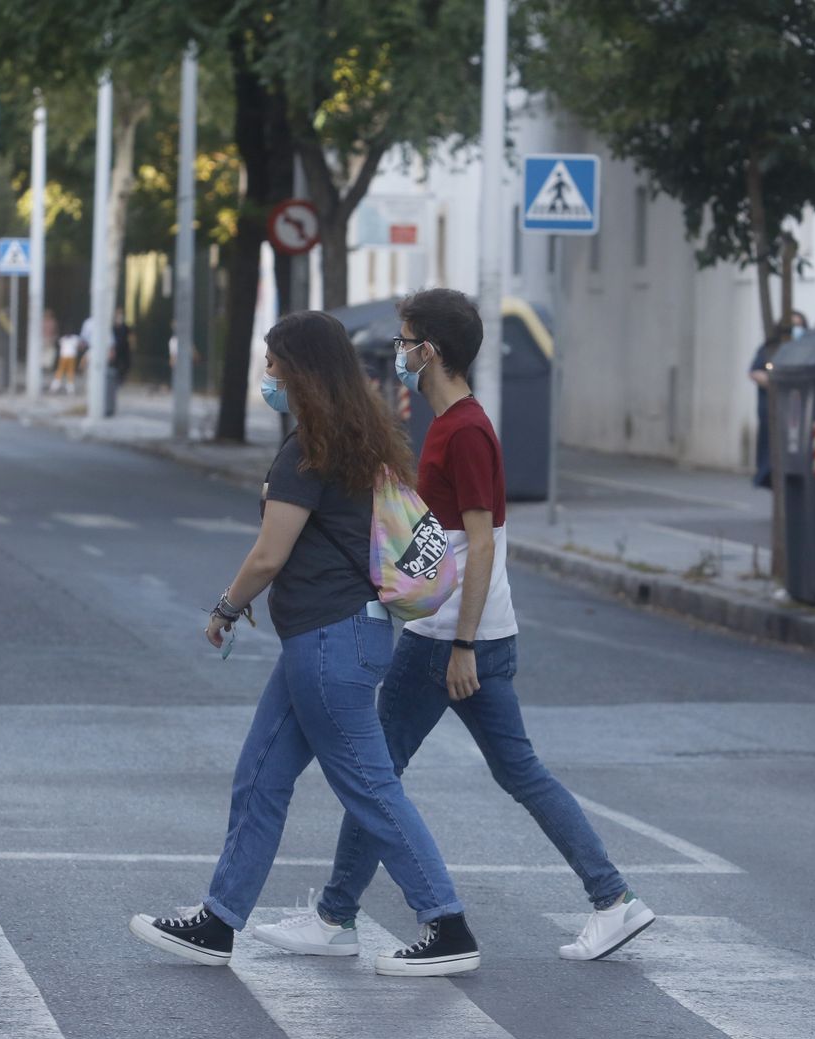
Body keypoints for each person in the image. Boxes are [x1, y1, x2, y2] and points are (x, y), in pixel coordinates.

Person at [252, 289, 655, 964]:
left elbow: (482, 541)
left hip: (449, 639)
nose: (399, 354)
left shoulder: (464, 431)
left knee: (375, 775)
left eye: (405, 342)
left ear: (429, 352)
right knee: (510, 771)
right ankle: (612, 899)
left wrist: (462, 643)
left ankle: (337, 917)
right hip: (469, 633)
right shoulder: (451, 424)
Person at [129, 310, 481, 977]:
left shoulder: (308, 451)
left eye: (273, 364)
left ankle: (447, 924)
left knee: (370, 789)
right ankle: (218, 922)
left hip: (330, 645)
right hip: (334, 642)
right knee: (260, 777)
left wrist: (227, 607)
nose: (266, 376)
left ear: (301, 372)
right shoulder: (362, 439)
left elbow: (270, 553)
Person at [749, 309, 807, 488]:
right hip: (772, 407)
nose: (796, 330)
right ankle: (768, 475)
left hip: (797, 409)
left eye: (799, 326)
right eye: (792, 326)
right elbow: (755, 372)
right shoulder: (770, 349)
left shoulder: (807, 348)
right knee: (771, 444)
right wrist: (775, 382)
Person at [111, 308, 132, 386]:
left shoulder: (125, 327)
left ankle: (121, 379)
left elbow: (130, 337)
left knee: (125, 365)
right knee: (115, 365)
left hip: (124, 349)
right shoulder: (112, 327)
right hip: (115, 349)